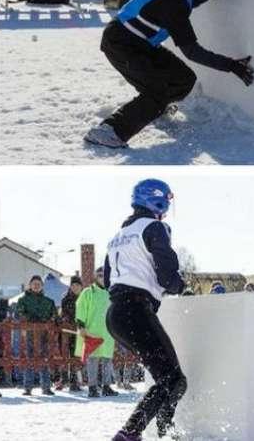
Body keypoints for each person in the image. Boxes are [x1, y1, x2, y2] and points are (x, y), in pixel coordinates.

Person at [84, 0, 254, 149]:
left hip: (139, 43)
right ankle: (109, 131)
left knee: (184, 79)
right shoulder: (172, 1)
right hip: (122, 45)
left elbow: (184, 2)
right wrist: (232, 65)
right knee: (157, 92)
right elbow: (192, 50)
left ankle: (154, 108)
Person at [104, 178, 186, 441]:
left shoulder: (117, 237)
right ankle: (129, 434)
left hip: (116, 313)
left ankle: (164, 431)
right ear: (157, 201)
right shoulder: (155, 227)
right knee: (171, 379)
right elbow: (168, 277)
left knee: (173, 380)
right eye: (166, 201)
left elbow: (108, 281)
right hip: (135, 310)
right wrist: (181, 285)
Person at [76, 266, 116, 398]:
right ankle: (92, 387)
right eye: (100, 275)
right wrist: (81, 325)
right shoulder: (88, 292)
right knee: (92, 360)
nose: (102, 278)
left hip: (108, 331)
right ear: (95, 276)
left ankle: (106, 386)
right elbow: (80, 307)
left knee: (107, 360)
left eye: (105, 275)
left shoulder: (112, 293)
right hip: (91, 330)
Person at [15, 274, 56, 396]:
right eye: (34, 284)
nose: (36, 286)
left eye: (39, 284)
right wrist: (28, 318)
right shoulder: (23, 300)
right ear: (30, 285)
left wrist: (53, 319)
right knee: (29, 359)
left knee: (44, 359)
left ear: (42, 286)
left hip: (44, 334)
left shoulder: (48, 301)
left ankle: (46, 386)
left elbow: (54, 315)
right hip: (29, 334)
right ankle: (28, 387)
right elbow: (19, 314)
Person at [58, 275, 83, 392]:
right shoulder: (66, 299)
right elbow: (64, 313)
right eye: (73, 285)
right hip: (68, 330)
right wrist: (68, 320)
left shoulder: (85, 297)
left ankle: (74, 381)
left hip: (81, 330)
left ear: (81, 286)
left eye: (77, 285)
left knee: (76, 356)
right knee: (65, 355)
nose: (75, 287)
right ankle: (64, 379)